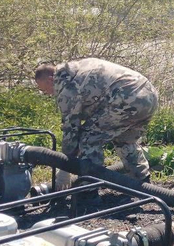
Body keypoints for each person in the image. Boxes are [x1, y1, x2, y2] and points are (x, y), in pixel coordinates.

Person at [34, 58, 159, 190]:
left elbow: (71, 129)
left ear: (50, 79)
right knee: (124, 139)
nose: (48, 94)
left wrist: (64, 168)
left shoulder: (67, 87)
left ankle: (88, 191)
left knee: (88, 138)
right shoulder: (78, 66)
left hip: (126, 99)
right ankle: (142, 182)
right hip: (148, 96)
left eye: (45, 90)